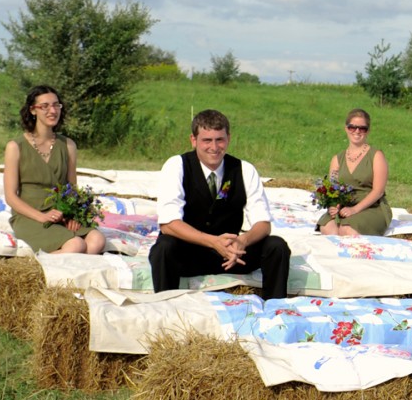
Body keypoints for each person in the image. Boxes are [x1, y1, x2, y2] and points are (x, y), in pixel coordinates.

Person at [149, 109, 290, 300]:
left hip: (232, 255)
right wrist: (213, 242)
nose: (214, 147)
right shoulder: (176, 166)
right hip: (190, 252)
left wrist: (243, 241)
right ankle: (165, 306)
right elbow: (168, 224)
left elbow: (263, 224)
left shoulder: (244, 169)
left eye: (219, 139)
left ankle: (275, 306)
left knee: (277, 246)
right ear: (193, 140)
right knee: (164, 247)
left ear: (228, 139)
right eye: (207, 140)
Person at [3, 86, 106, 255]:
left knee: (97, 240)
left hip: (60, 214)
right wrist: (41, 216)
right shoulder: (15, 147)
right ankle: (34, 268)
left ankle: (69, 276)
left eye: (56, 105)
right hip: (30, 216)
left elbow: (72, 189)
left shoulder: (68, 145)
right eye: (45, 106)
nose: (52, 110)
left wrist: (73, 216)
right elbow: (11, 197)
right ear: (33, 110)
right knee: (76, 245)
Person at [318, 107, 393, 237]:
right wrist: (334, 205)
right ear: (346, 128)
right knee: (327, 229)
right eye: (352, 127)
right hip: (344, 207)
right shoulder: (337, 159)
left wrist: (354, 209)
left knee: (347, 231)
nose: (357, 131)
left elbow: (378, 191)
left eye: (362, 128)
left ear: (368, 131)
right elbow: (332, 189)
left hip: (371, 207)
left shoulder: (376, 156)